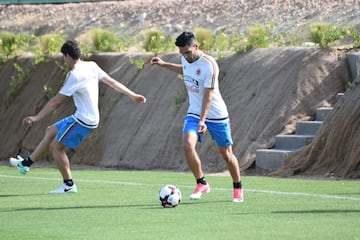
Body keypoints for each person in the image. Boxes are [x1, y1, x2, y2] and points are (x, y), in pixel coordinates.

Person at [10, 40, 146, 194]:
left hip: (84, 120)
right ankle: (26, 164)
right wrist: (133, 95)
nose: (64, 60)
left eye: (64, 57)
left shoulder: (75, 75)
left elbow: (56, 101)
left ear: (68, 56)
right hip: (84, 116)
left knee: (56, 148)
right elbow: (112, 82)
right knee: (50, 130)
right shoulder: (91, 66)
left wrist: (36, 117)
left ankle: (69, 185)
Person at [151, 31, 243, 202]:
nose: (185, 57)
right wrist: (164, 64)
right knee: (187, 144)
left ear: (196, 46)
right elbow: (186, 70)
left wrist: (203, 120)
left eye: (187, 52)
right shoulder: (185, 59)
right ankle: (202, 183)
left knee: (226, 155)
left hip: (216, 115)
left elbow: (208, 95)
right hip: (194, 111)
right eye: (182, 53)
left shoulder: (210, 65)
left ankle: (237, 187)